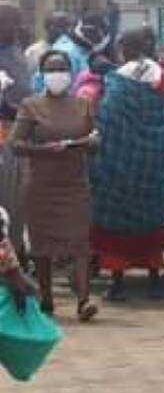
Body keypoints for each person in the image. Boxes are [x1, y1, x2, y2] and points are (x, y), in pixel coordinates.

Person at [10, 50, 100, 321]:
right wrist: (44, 149)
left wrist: (90, 143)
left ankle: (83, 300)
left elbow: (94, 140)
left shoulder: (82, 105)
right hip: (41, 186)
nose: (56, 74)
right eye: (51, 69)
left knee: (80, 243)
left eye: (61, 69)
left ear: (70, 73)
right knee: (42, 246)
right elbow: (16, 144)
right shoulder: (30, 106)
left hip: (73, 184)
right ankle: (47, 298)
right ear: (43, 74)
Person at [88, 27, 164, 301]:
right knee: (151, 220)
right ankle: (155, 281)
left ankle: (117, 283)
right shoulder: (161, 78)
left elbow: (108, 121)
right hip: (152, 163)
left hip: (120, 165)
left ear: (125, 49)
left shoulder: (118, 83)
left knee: (118, 225)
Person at [0, 4, 32, 268]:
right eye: (11, 23)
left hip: (17, 139)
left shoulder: (17, 53)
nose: (16, 28)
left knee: (16, 205)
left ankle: (15, 255)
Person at [23, 12, 73, 77]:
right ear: (48, 27)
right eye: (60, 26)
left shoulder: (73, 51)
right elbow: (28, 76)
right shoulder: (34, 51)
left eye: (67, 26)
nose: (65, 30)